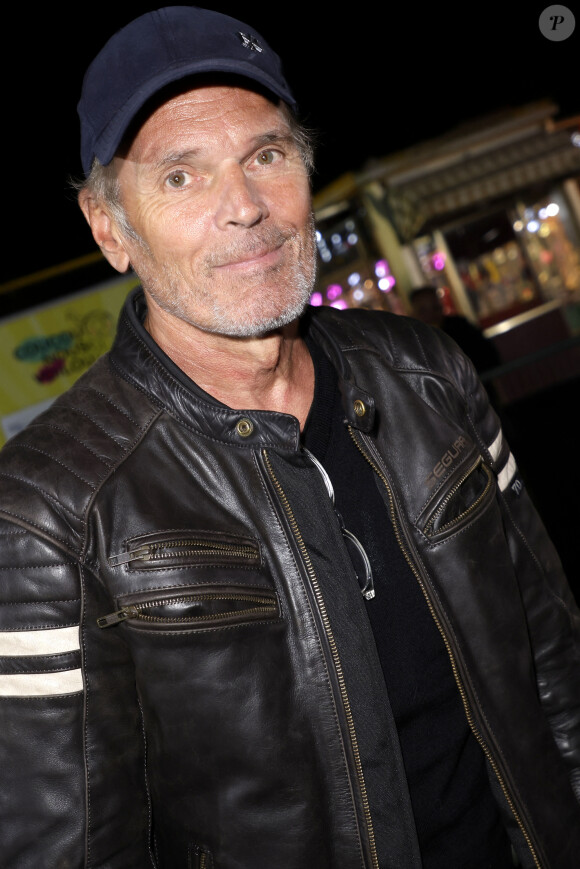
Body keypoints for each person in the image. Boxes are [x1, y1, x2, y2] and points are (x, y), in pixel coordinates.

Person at [0, 7, 579, 868]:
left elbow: (555, 670)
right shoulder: (48, 509)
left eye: (265, 155)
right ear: (111, 229)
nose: (244, 208)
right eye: (181, 178)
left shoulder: (426, 376)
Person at [409, 285, 501, 376]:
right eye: (423, 311)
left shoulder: (461, 328)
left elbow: (487, 355)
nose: (431, 315)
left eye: (435, 308)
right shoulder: (414, 343)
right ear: (413, 314)